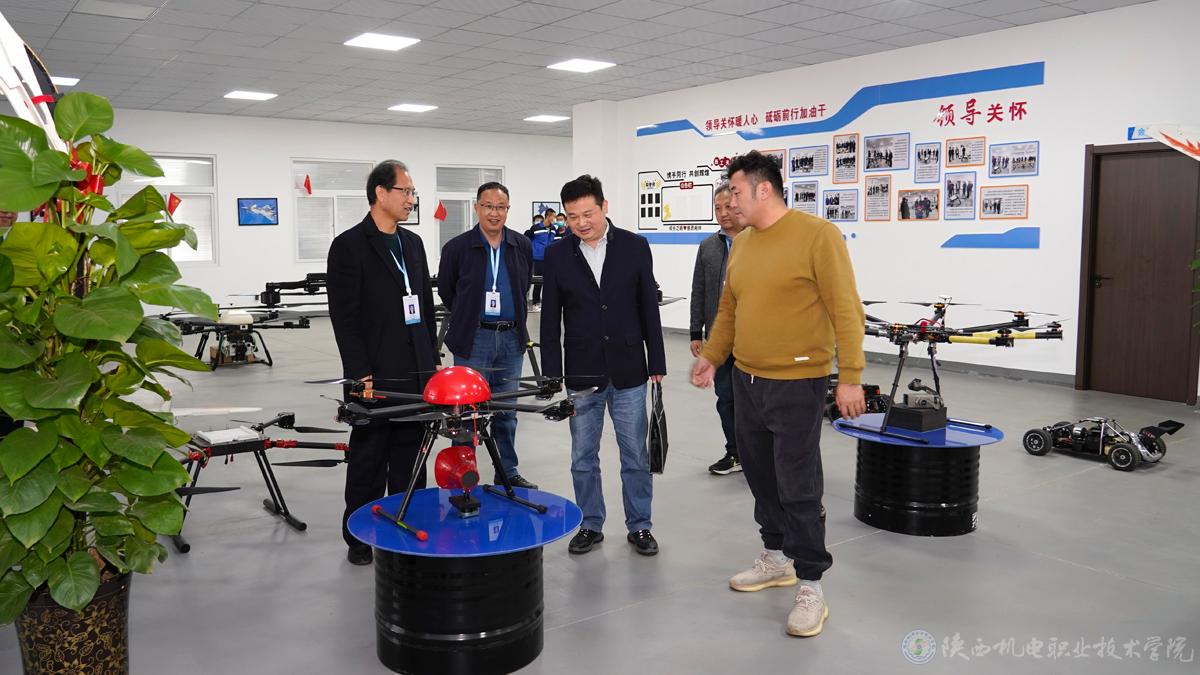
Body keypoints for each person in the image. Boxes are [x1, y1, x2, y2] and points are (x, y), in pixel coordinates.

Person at [690, 150, 866, 638]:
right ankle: (776, 558)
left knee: (798, 484)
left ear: (763, 189)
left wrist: (850, 375)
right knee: (762, 477)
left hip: (797, 383)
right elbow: (729, 310)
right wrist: (713, 356)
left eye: (736, 192)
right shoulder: (743, 244)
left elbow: (846, 310)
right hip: (747, 380)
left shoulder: (818, 236)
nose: (730, 202)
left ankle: (811, 583)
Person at [541, 174, 666, 556]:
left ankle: (640, 525)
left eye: (588, 213)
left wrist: (656, 360)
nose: (581, 223)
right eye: (572, 216)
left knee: (635, 456)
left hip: (629, 369)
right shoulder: (557, 254)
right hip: (582, 372)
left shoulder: (634, 246)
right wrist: (552, 373)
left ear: (604, 207)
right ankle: (590, 524)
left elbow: (648, 306)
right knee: (582, 457)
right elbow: (550, 318)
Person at [327, 160, 440, 566]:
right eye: (405, 191)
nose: (411, 199)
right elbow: (345, 318)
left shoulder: (413, 244)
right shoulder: (349, 246)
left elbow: (424, 308)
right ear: (380, 193)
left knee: (411, 459)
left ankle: (407, 527)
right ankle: (360, 536)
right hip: (373, 373)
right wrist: (360, 374)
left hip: (415, 371)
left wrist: (431, 363)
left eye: (412, 193)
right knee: (369, 459)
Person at [439, 182, 537, 489]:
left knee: (507, 411)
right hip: (474, 339)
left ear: (508, 209)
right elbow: (448, 291)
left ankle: (507, 471)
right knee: (467, 413)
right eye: (488, 206)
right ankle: (462, 473)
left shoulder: (521, 245)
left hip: (511, 338)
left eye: (500, 207)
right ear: (477, 207)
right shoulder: (457, 248)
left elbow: (523, 286)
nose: (494, 213)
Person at [689, 184, 745, 475]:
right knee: (725, 398)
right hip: (719, 339)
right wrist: (695, 332)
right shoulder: (708, 246)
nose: (723, 214)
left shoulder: (757, 241)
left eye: (728, 207)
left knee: (754, 401)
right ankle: (735, 453)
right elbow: (698, 290)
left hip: (752, 339)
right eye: (717, 208)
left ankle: (758, 454)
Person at [524, 213, 554, 306]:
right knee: (537, 280)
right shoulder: (534, 228)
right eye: (553, 217)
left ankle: (545, 302)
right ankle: (535, 302)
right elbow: (527, 241)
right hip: (537, 258)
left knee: (548, 281)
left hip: (549, 258)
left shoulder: (553, 229)